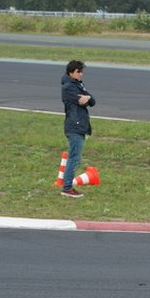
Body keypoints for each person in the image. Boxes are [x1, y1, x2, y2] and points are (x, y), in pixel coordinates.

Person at [60, 60, 96, 198]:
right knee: (74, 158)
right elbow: (81, 100)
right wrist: (86, 97)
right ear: (71, 72)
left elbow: (92, 101)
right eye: (78, 72)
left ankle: (67, 186)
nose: (81, 74)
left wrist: (87, 97)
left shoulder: (79, 84)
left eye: (81, 72)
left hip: (80, 125)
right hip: (74, 125)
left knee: (75, 157)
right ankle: (67, 187)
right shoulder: (68, 87)